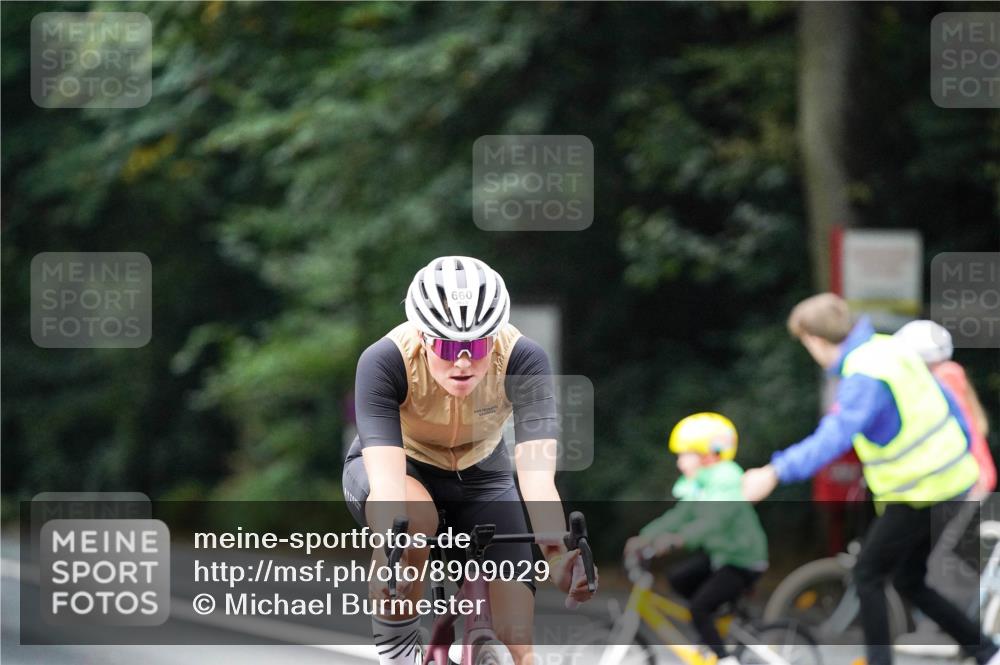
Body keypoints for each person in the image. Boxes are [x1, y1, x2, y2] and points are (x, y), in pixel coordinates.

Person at [342, 256, 595, 665]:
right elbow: (387, 484)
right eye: (447, 346)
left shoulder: (523, 360)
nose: (462, 361)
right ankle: (398, 649)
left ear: (494, 339)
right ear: (423, 337)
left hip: (481, 475)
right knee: (413, 523)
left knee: (519, 647)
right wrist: (392, 552)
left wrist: (557, 553)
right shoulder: (384, 360)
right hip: (402, 466)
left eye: (477, 346)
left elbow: (536, 477)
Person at [742, 293, 999, 665]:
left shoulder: (864, 374)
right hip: (949, 481)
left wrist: (774, 472)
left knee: (868, 573)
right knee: (909, 579)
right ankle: (987, 650)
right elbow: (948, 404)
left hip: (923, 491)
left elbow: (836, 434)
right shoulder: (887, 348)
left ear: (814, 339)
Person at [624, 413, 768, 665]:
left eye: (684, 455)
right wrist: (645, 537)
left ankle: (724, 659)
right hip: (719, 555)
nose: (679, 463)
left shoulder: (726, 481)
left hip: (741, 560)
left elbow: (713, 521)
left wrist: (679, 539)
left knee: (699, 608)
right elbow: (680, 515)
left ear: (708, 454)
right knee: (677, 579)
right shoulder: (700, 484)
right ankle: (715, 623)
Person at [893, 320, 996, 654]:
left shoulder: (942, 376)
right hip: (970, 477)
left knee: (940, 558)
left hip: (969, 479)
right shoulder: (949, 374)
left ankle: (941, 635)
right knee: (941, 554)